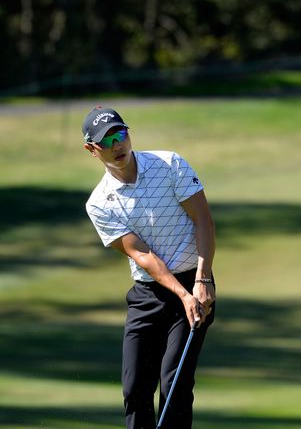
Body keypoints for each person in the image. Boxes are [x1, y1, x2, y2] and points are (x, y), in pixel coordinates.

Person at [82, 106, 216, 429]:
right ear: (91, 149)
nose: (118, 144)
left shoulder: (169, 164)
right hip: (148, 295)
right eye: (107, 140)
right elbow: (142, 255)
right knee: (135, 389)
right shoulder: (99, 203)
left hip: (195, 281)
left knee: (174, 385)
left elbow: (204, 221)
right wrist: (181, 294)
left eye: (121, 133)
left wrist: (203, 278)